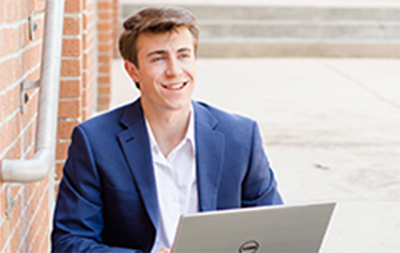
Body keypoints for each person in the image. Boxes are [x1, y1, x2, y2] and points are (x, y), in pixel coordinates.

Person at [51, 6, 283, 253]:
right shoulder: (95, 141)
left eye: (183, 55)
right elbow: (70, 242)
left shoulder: (241, 136)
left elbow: (274, 231)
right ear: (133, 71)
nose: (174, 70)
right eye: (158, 58)